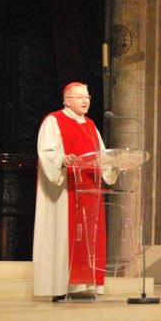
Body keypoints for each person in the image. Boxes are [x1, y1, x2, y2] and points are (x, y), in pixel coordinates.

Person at [32, 82, 116, 301]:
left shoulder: (90, 125)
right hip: (67, 191)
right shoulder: (54, 120)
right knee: (65, 237)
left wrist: (112, 165)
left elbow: (102, 154)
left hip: (90, 190)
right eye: (80, 97)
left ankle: (84, 286)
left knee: (89, 238)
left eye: (87, 97)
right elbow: (46, 151)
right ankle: (61, 286)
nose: (85, 100)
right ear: (67, 100)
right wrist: (62, 160)